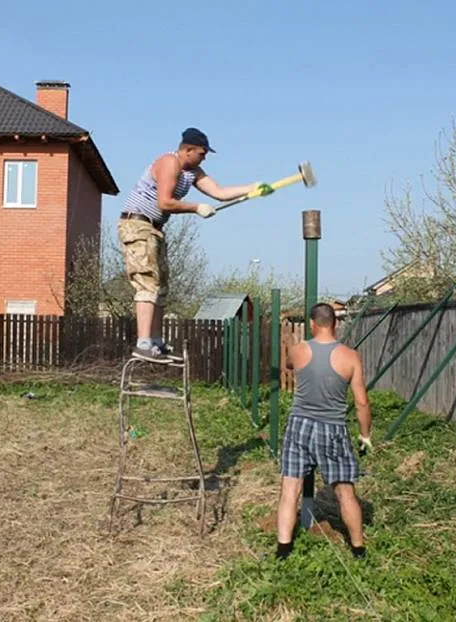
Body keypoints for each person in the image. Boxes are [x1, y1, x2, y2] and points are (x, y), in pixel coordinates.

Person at [118, 127, 273, 363]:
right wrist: (196, 208)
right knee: (146, 281)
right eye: (202, 153)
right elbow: (166, 202)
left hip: (155, 229)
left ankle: (157, 343)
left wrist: (253, 188)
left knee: (160, 286)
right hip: (137, 225)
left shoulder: (193, 171)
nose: (204, 157)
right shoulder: (169, 163)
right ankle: (143, 344)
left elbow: (219, 192)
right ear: (188, 149)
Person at [275, 302, 372, 560]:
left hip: (299, 426)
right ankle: (358, 548)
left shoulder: (298, 350)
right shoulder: (351, 357)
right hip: (333, 429)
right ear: (336, 324)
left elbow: (288, 366)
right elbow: (362, 402)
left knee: (289, 488)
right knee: (344, 491)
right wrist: (365, 435)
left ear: (311, 324)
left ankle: (283, 549)